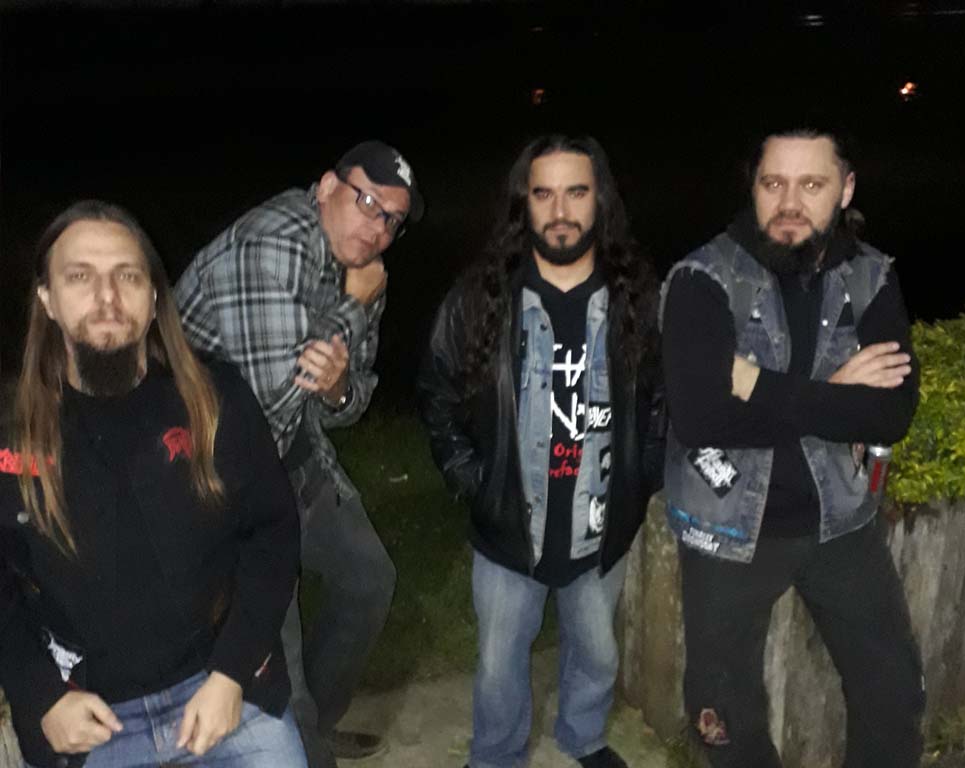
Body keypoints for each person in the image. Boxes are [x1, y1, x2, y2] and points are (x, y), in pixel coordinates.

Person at [0, 201, 304, 768]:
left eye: (128, 276)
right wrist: (40, 695)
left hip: (222, 692)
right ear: (47, 299)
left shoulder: (215, 399)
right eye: (80, 277)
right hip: (88, 717)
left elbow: (273, 534)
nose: (107, 296)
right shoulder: (12, 432)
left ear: (154, 297)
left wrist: (233, 671)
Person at [660, 125, 926, 767]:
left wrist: (755, 384)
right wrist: (834, 395)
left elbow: (890, 413)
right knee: (722, 716)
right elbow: (700, 417)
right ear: (752, 186)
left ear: (846, 189)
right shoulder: (702, 278)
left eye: (811, 184)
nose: (789, 202)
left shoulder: (871, 277)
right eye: (773, 182)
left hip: (841, 519)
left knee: (894, 693)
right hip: (727, 526)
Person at [417, 134, 663, 768]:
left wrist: (641, 476)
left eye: (576, 192)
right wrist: (473, 480)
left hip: (600, 522)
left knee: (598, 651)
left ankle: (584, 736)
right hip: (508, 524)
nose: (560, 212)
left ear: (600, 199)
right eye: (543, 193)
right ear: (522, 202)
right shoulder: (482, 296)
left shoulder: (637, 297)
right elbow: (438, 393)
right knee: (499, 662)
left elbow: (663, 399)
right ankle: (497, 754)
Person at [174, 140, 423, 764]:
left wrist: (337, 386)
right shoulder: (272, 244)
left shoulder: (359, 268)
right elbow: (269, 400)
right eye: (367, 202)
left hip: (293, 457)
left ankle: (312, 729)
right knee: (274, 648)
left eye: (392, 220)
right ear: (327, 187)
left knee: (369, 582)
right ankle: (301, 740)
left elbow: (350, 398)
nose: (378, 229)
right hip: (218, 478)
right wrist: (354, 306)